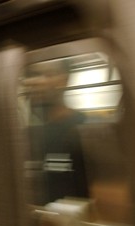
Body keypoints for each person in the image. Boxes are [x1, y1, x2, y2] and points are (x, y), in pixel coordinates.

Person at [26, 59, 89, 204]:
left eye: (46, 75)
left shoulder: (83, 130)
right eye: (31, 75)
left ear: (63, 81)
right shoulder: (33, 135)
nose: (33, 82)